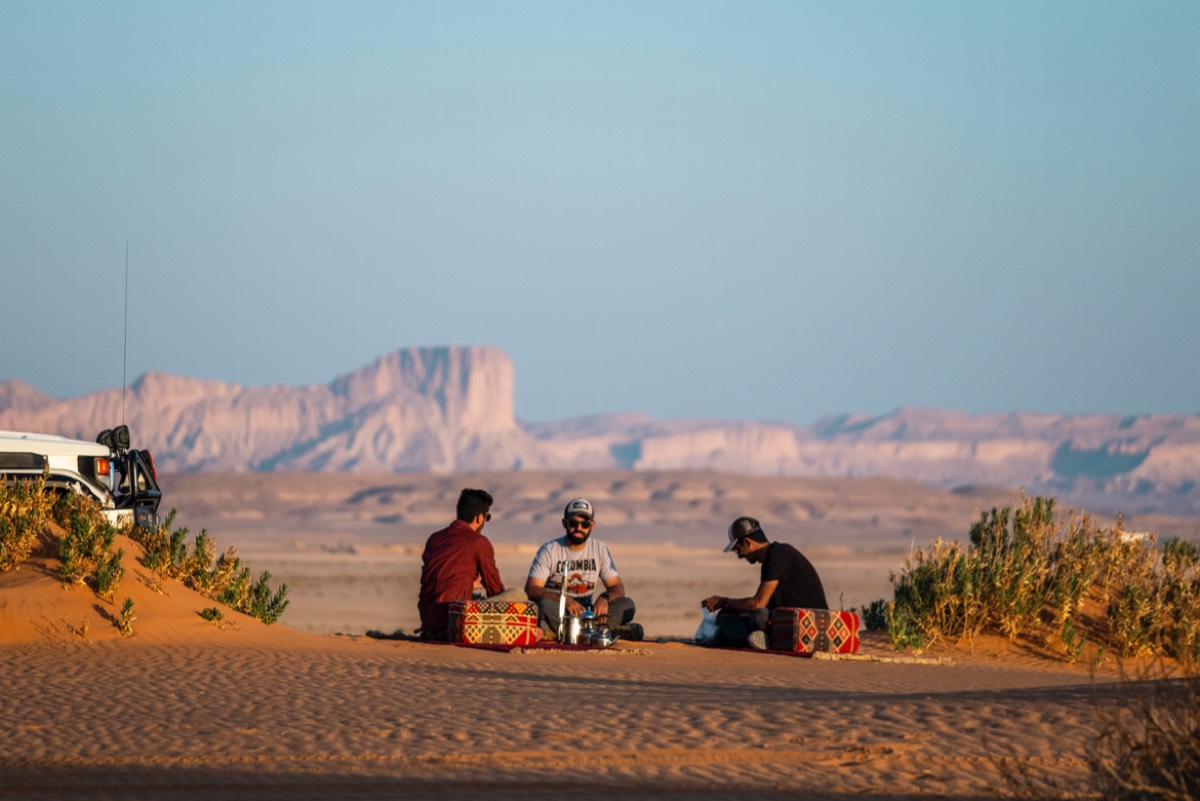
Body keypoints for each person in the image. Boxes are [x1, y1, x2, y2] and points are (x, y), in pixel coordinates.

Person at [701, 516, 828, 649]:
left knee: (742, 617)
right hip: (795, 618)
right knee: (738, 616)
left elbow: (758, 603)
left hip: (806, 621)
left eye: (738, 550)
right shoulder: (775, 555)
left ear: (747, 542)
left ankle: (750, 641)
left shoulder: (777, 555)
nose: (739, 556)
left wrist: (723, 602)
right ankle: (752, 638)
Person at [525, 497, 643, 641]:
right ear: (564, 523)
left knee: (627, 605)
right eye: (573, 523)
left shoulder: (599, 549)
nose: (579, 528)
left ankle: (571, 633)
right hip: (561, 611)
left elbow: (617, 588)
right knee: (544, 605)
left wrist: (605, 598)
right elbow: (532, 589)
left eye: (585, 524)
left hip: (589, 614)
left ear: (593, 525)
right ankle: (601, 633)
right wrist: (564, 600)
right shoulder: (550, 550)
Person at [417, 488, 523, 641]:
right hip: (455, 628)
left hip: (429, 627)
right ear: (479, 517)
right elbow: (494, 588)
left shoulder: (434, 538)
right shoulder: (478, 542)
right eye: (487, 517)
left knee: (476, 594)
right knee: (519, 594)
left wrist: (471, 583)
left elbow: (440, 580)